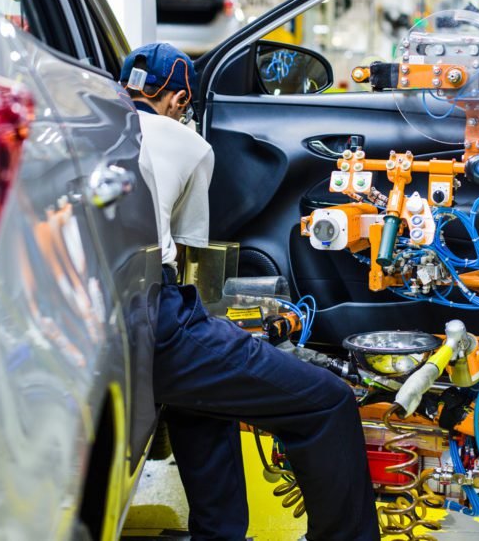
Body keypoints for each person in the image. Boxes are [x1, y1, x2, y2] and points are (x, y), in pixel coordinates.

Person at [121, 43, 379, 541]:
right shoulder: (188, 142)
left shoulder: (89, 128)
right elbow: (187, 246)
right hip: (157, 321)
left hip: (106, 318)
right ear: (179, 100)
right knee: (328, 402)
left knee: (203, 398)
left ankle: (219, 534)